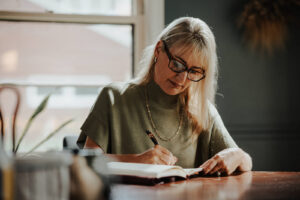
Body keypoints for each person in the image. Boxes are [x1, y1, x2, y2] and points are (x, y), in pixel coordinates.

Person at [77, 17, 252, 175]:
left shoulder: (203, 112)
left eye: (194, 71)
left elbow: (246, 163)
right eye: (177, 64)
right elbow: (85, 162)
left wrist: (236, 155)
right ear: (158, 50)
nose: (182, 78)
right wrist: (136, 161)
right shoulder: (113, 98)